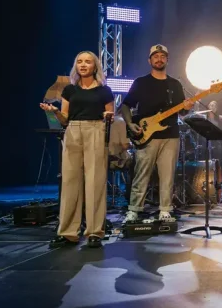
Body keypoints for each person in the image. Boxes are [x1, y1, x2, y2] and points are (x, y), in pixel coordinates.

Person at [41, 51, 114, 249]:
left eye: (87, 62)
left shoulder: (104, 90)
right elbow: (64, 119)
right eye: (80, 62)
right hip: (73, 130)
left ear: (95, 66)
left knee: (95, 182)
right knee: (70, 181)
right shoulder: (69, 90)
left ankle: (94, 232)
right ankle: (68, 233)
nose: (83, 65)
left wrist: (108, 115)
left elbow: (110, 113)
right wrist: (55, 111)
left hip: (95, 129)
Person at [121, 45, 193, 224]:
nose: (159, 59)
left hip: (171, 135)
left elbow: (182, 112)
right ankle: (134, 210)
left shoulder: (175, 84)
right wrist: (130, 123)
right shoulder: (141, 82)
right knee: (141, 174)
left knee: (168, 176)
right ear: (149, 60)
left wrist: (187, 107)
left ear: (167, 60)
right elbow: (126, 105)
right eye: (155, 56)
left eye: (162, 56)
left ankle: (165, 210)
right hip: (146, 135)